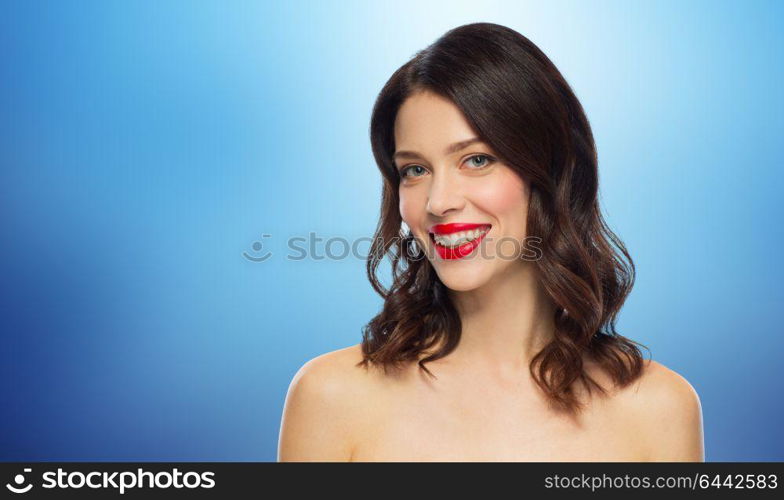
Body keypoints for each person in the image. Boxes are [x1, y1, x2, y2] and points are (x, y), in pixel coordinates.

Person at [278, 22, 704, 462]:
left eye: (477, 160)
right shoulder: (331, 397)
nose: (439, 202)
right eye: (414, 170)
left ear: (552, 172)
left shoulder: (658, 410)